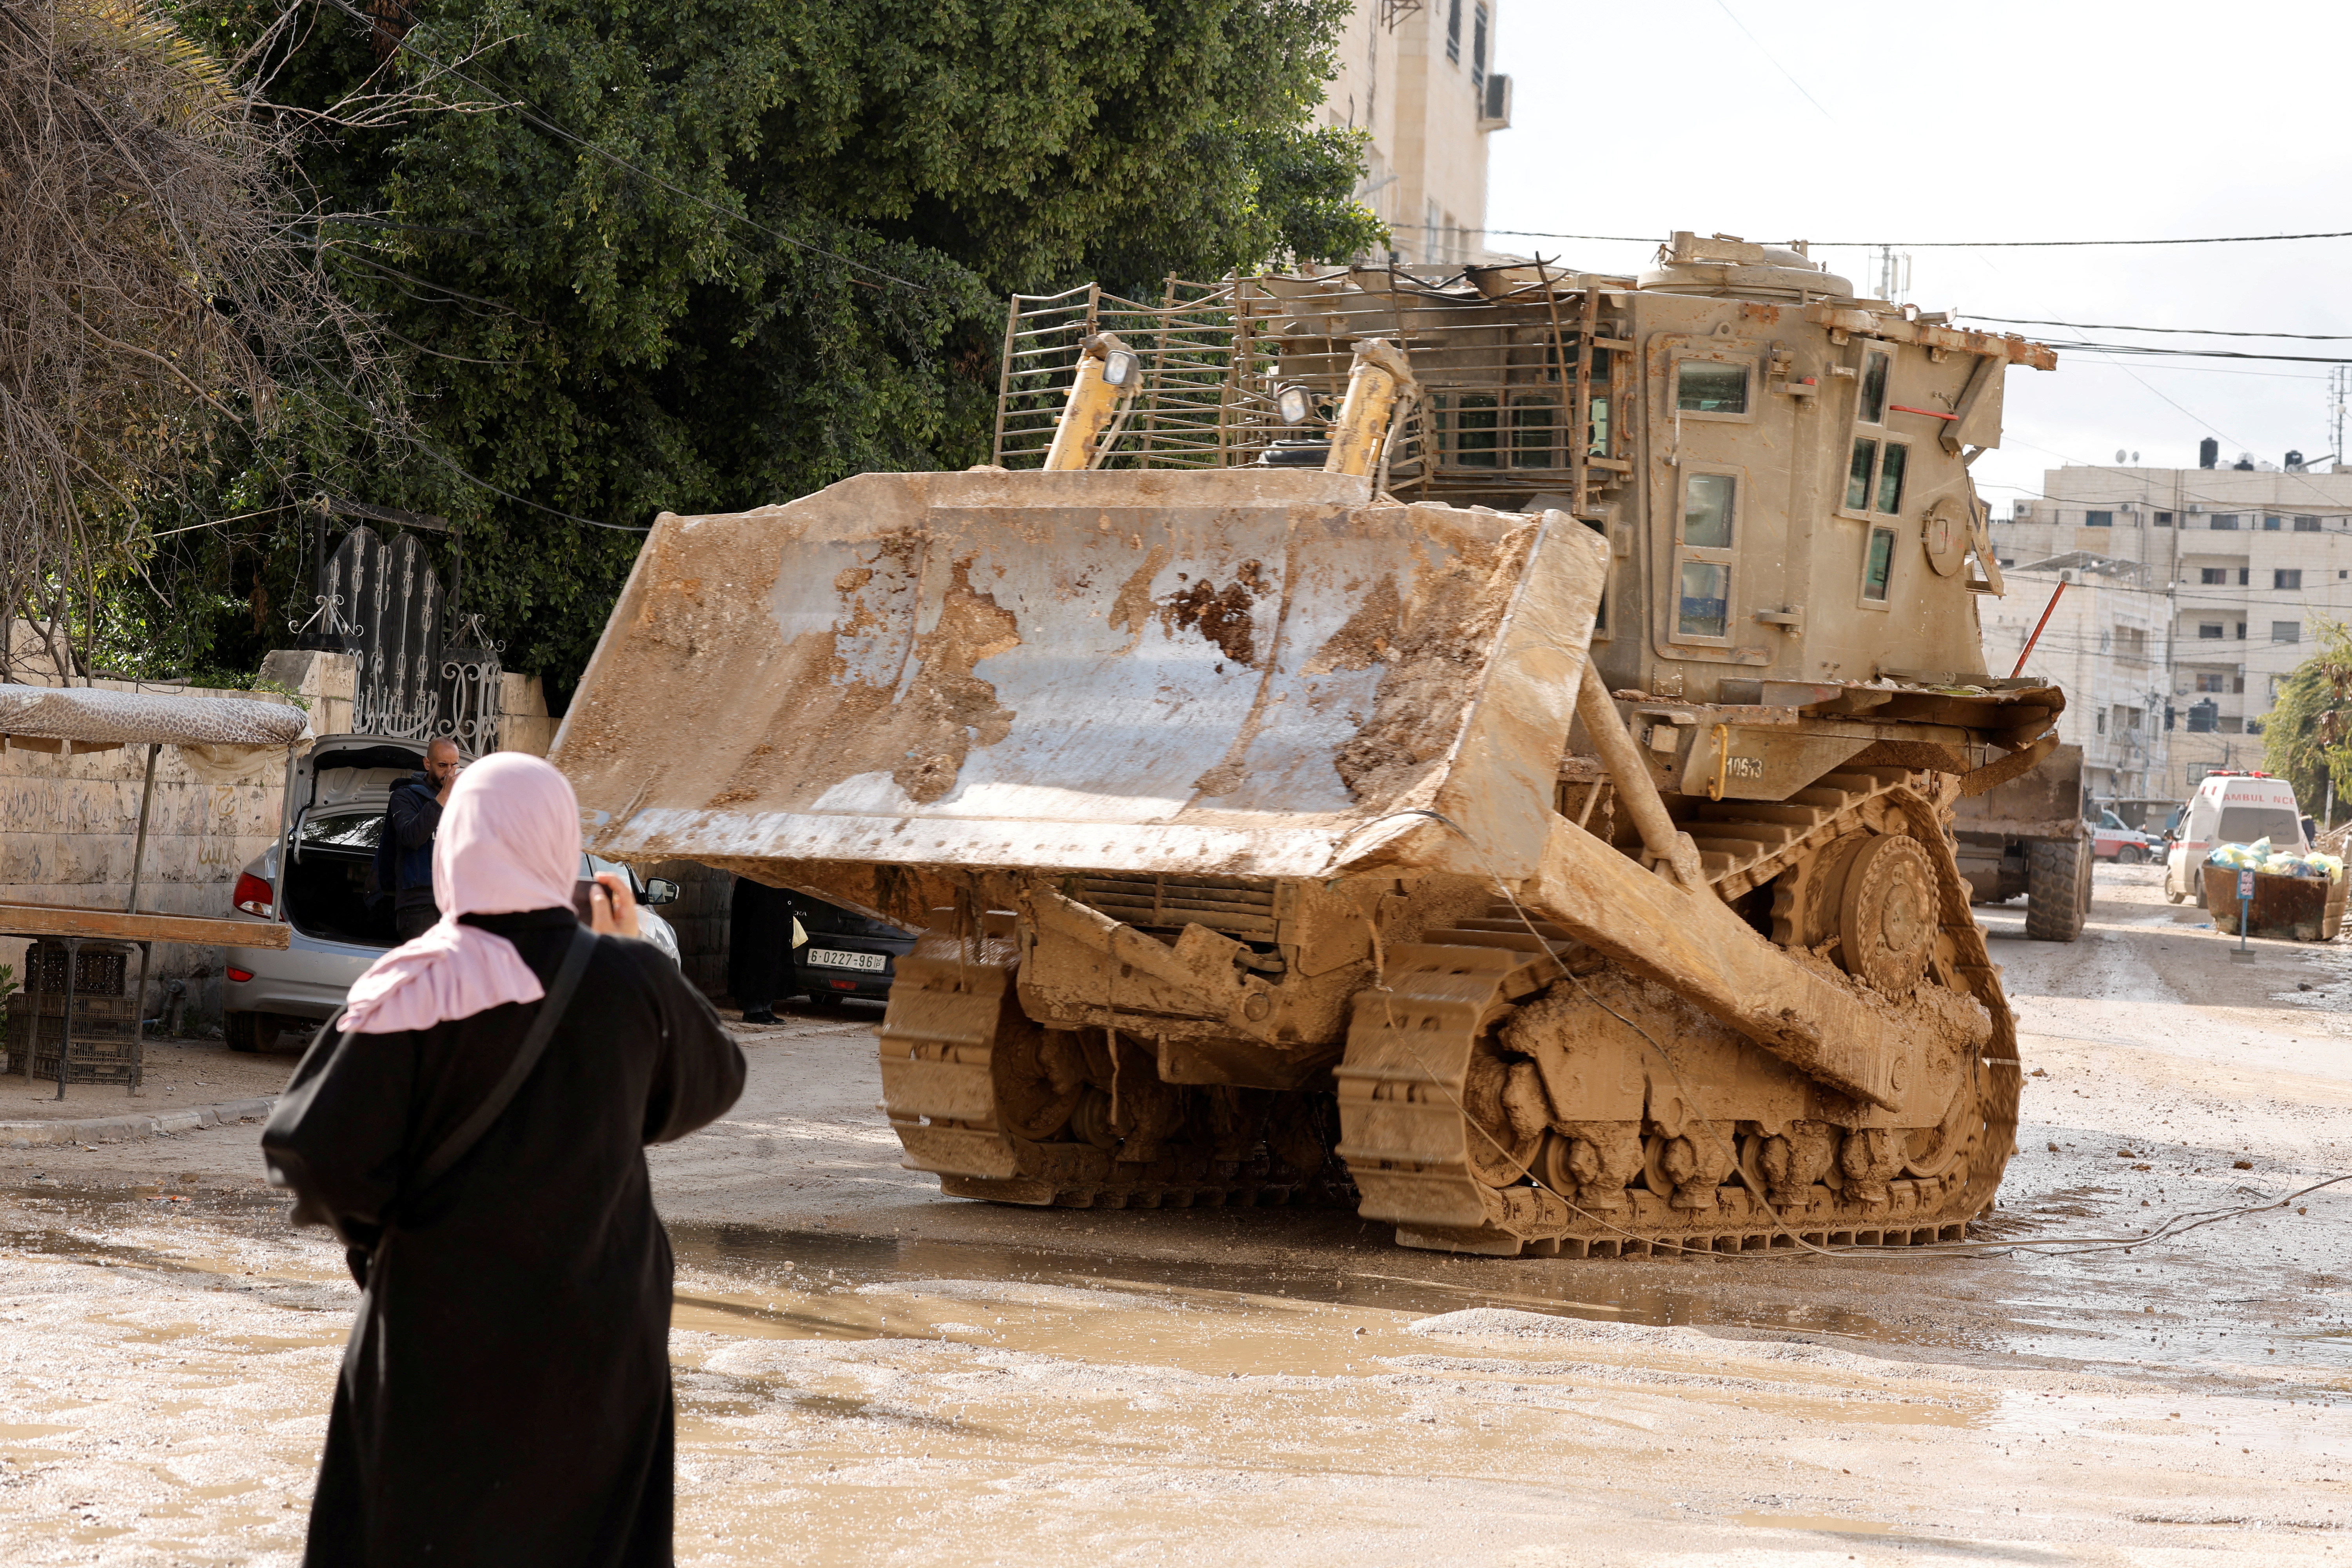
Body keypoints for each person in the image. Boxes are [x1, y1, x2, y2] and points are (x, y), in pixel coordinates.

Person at [263, 753, 745, 1567]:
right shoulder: (628, 979)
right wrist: (628, 956)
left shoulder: (415, 982)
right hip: (601, 1336)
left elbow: (315, 1150)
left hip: (438, 1329)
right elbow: (713, 1081)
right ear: (560, 842)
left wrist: (385, 1244)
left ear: (456, 841)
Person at [383, 738, 463, 942]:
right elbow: (412, 837)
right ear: (428, 764)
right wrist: (444, 796)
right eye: (443, 765)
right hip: (420, 904)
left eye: (455, 765)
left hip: (455, 904)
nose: (450, 772)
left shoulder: (463, 799)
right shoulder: (404, 796)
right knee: (425, 971)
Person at [727, 875, 800, 1024]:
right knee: (755, 947)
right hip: (756, 886)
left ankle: (766, 1006)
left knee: (775, 949)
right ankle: (753, 1009)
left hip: (778, 888)